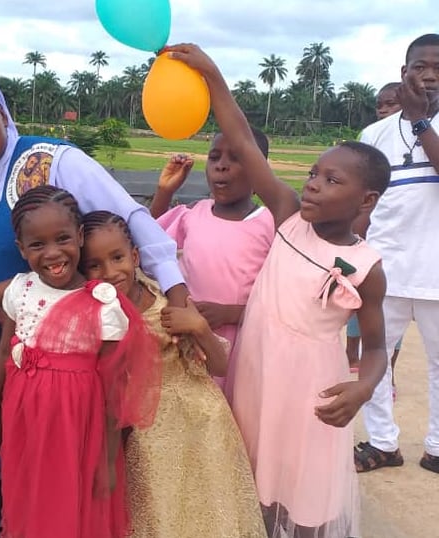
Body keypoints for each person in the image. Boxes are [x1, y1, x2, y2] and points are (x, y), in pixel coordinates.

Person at [0, 66, 188, 537]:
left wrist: (179, 299)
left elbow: (132, 219)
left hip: (73, 360)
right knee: (22, 467)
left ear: (3, 112)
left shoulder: (53, 161)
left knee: (77, 473)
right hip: (8, 352)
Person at [168, 44, 390, 537]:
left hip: (311, 388)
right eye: (312, 173)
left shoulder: (367, 267)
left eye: (331, 180)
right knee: (254, 475)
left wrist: (362, 387)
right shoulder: (287, 217)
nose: (312, 185)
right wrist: (212, 75)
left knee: (305, 486)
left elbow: (375, 346)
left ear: (366, 199)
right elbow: (243, 139)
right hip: (255, 371)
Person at [0, 186, 162, 538]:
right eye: (38, 245)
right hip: (25, 423)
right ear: (21, 249)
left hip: (80, 433)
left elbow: (114, 387)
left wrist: (107, 459)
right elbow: (1, 355)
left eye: (62, 239)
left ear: (80, 236)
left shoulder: (102, 305)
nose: (53, 253)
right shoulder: (19, 290)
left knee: (72, 510)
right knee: (29, 501)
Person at [80, 210, 266, 538]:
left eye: (118, 257)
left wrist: (199, 327)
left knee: (212, 510)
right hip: (150, 435)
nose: (110, 272)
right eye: (95, 265)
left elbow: (220, 365)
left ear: (135, 256)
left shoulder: (167, 297)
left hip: (203, 424)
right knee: (162, 513)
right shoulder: (97, 317)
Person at [357, 33, 439, 475]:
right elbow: (361, 201)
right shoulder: (375, 134)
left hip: (437, 274)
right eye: (419, 66)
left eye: (438, 68)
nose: (427, 75)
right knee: (375, 358)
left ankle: (438, 447)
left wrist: (422, 122)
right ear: (403, 71)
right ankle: (382, 443)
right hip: (383, 269)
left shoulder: (426, 123)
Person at [149, 129, 274, 393]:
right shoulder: (194, 214)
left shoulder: (270, 223)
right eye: (214, 157)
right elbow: (151, 240)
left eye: (235, 158)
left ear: (260, 169)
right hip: (189, 339)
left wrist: (230, 313)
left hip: (243, 340)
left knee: (234, 410)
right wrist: (164, 191)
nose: (221, 166)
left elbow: (281, 297)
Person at [346, 83, 404, 387]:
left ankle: (388, 375)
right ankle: (350, 356)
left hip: (404, 255)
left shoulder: (414, 139)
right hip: (371, 242)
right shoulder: (373, 136)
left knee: (390, 329)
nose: (383, 110)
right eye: (379, 104)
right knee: (358, 304)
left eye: (390, 104)